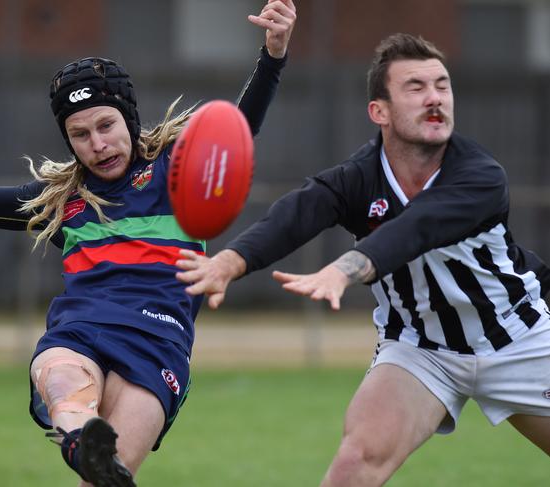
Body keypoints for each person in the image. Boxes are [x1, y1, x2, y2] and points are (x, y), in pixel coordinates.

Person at [0, 2, 296, 486]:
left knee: (105, 481)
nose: (97, 144)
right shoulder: (64, 200)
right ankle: (76, 437)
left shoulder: (177, 171)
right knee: (63, 381)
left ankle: (84, 444)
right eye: (79, 134)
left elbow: (241, 128)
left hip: (156, 342)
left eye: (106, 126)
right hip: (80, 330)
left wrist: (273, 56)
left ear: (128, 118)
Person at [176, 32, 550, 486]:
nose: (435, 98)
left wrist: (341, 270)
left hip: (517, 336)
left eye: (442, 85)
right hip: (419, 350)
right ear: (380, 111)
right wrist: (227, 263)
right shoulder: (358, 178)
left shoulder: (481, 176)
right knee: (355, 466)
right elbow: (296, 214)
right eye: (415, 87)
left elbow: (414, 230)